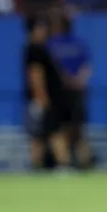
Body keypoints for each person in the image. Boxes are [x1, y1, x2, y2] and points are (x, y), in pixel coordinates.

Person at [24, 15, 71, 169]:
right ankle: (63, 164)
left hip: (49, 99)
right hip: (46, 100)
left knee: (40, 135)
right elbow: (35, 75)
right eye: (40, 28)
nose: (44, 31)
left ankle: (37, 166)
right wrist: (41, 98)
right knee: (52, 132)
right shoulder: (34, 49)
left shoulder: (41, 48)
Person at [47, 13, 93, 169]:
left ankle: (65, 163)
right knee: (77, 128)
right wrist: (78, 80)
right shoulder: (79, 43)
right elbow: (87, 67)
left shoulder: (51, 44)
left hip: (60, 93)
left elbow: (51, 69)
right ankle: (84, 162)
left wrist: (67, 80)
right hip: (77, 91)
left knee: (59, 128)